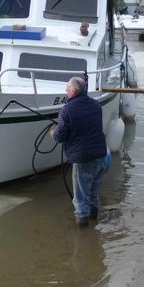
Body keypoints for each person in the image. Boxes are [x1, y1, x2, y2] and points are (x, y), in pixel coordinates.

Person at [51, 76, 107, 227]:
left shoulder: (67, 109)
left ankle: (83, 236)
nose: (65, 91)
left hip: (83, 159)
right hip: (101, 155)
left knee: (80, 199)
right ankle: (95, 223)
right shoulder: (96, 105)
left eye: (67, 89)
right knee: (94, 194)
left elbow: (59, 137)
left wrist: (53, 132)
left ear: (74, 90)